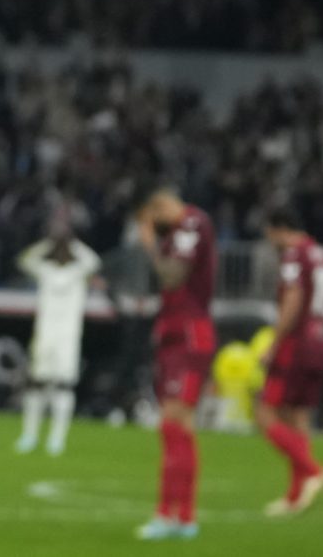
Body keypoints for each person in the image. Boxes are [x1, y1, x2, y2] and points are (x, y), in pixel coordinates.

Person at [133, 187, 218, 541]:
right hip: (174, 333)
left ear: (162, 208)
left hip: (188, 334)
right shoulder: (181, 232)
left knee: (173, 425)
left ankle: (168, 514)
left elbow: (172, 276)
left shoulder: (191, 224)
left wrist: (150, 241)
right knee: (178, 427)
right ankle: (183, 516)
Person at [257, 205, 323, 518]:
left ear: (279, 229)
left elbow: (293, 297)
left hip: (296, 342)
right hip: (320, 340)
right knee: (297, 417)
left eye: (269, 235)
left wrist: (274, 342)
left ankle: (313, 471)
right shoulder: (320, 254)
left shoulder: (293, 254)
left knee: (264, 411)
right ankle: (296, 496)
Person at [17, 216, 103, 455]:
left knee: (63, 386)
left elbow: (94, 262)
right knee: (36, 384)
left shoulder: (78, 273)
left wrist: (73, 241)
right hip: (45, 335)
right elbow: (26, 260)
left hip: (68, 337)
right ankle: (29, 435)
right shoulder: (46, 271)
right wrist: (48, 242)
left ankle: (57, 439)